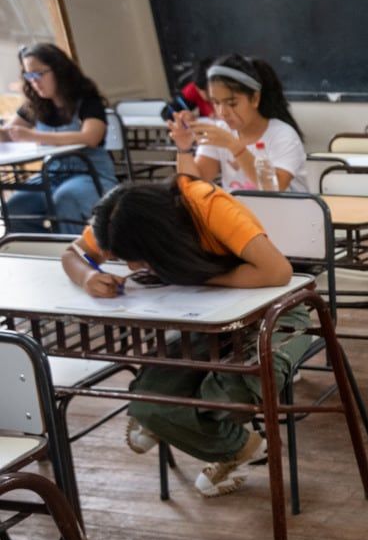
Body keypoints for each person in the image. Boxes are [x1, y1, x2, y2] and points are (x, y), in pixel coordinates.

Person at [59, 175, 307, 498]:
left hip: (274, 316)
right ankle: (241, 446)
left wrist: (198, 277)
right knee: (150, 407)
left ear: (158, 235)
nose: (132, 265)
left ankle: (219, 441)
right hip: (204, 325)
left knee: (222, 399)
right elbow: (72, 255)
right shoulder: (120, 219)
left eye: (137, 256)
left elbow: (277, 271)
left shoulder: (206, 206)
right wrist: (88, 275)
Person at [0, 43, 117, 233]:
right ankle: (48, 253)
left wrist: (33, 135)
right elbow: (7, 134)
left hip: (90, 173)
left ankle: (75, 255)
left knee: (65, 200)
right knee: (14, 208)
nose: (34, 81)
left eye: (39, 74)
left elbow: (91, 137)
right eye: (29, 76)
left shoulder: (87, 100)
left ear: (59, 70)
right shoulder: (35, 105)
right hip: (53, 174)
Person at [167, 53, 308, 193]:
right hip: (238, 215)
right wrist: (183, 148)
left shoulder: (282, 135)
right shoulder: (220, 131)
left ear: (254, 99)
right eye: (215, 102)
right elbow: (194, 185)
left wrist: (234, 145)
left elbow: (273, 189)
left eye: (232, 103)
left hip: (284, 214)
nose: (222, 112)